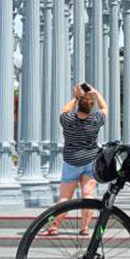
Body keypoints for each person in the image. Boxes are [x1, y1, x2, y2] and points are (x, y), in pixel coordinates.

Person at [40, 83, 107, 237]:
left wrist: (76, 97)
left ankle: (54, 227)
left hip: (71, 162)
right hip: (90, 161)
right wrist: (96, 94)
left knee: (64, 198)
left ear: (79, 105)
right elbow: (104, 109)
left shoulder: (68, 120)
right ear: (91, 107)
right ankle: (84, 228)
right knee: (88, 194)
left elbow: (64, 110)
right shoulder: (95, 120)